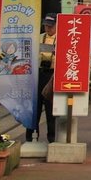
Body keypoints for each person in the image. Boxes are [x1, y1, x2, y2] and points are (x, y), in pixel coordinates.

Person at [26, 13, 57, 143]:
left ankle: (52, 138)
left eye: (50, 26)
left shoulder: (63, 39)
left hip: (52, 75)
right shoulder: (38, 38)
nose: (47, 28)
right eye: (45, 25)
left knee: (51, 109)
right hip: (37, 74)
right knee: (34, 108)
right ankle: (30, 138)